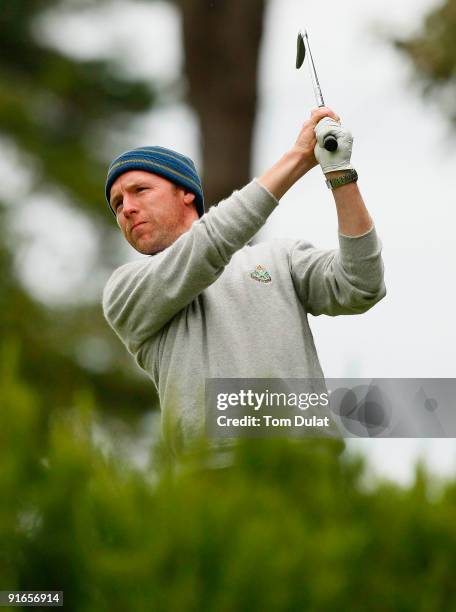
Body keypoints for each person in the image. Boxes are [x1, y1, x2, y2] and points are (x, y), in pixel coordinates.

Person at [102, 107, 386, 459]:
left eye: (139, 190)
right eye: (117, 204)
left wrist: (340, 174)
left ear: (186, 193)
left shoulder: (280, 258)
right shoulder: (125, 290)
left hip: (310, 467)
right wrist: (299, 158)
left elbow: (361, 285)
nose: (126, 208)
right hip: (210, 478)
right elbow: (210, 243)